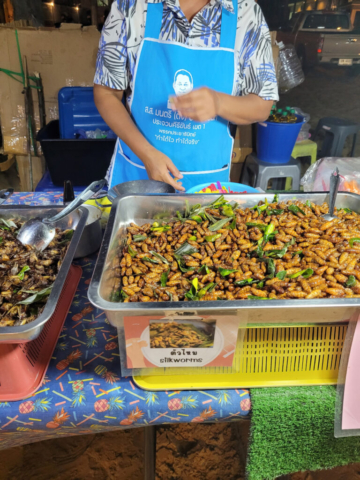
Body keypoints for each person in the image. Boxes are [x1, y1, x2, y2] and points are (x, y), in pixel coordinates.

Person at [94, 0, 279, 191]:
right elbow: (106, 93)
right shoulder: (131, 6)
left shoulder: (246, 14)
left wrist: (218, 103)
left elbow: (262, 105)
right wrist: (147, 154)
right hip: (137, 176)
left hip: (206, 185)